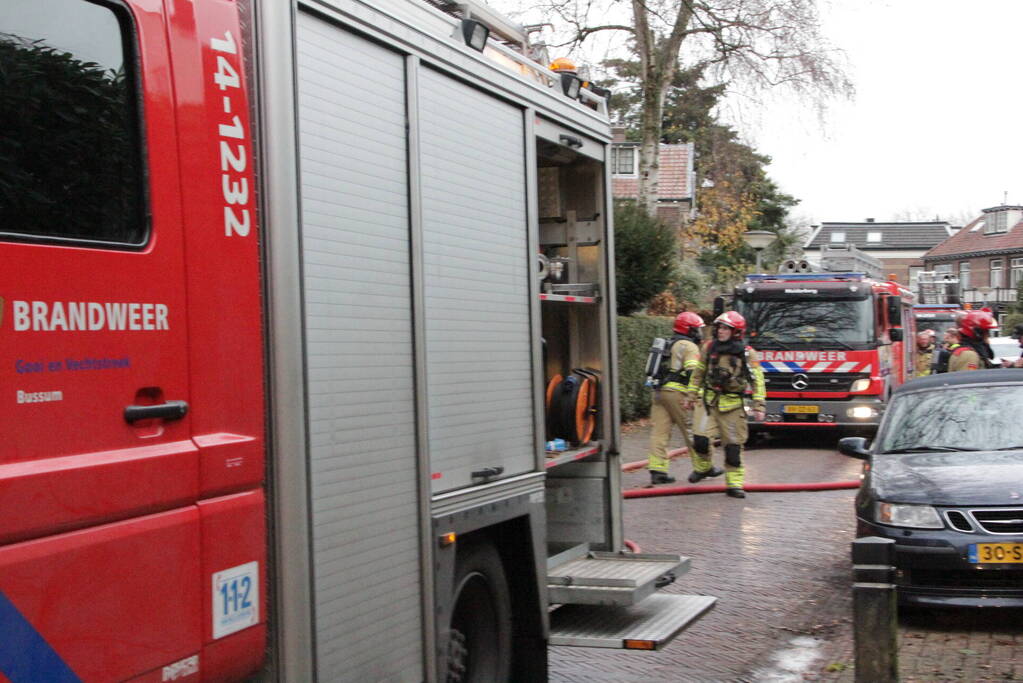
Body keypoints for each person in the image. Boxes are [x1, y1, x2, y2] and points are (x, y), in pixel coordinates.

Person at [683, 311, 766, 499]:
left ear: (736, 332)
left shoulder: (747, 353)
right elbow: (698, 373)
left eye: (725, 328)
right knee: (700, 439)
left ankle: (734, 484)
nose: (720, 331)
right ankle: (704, 468)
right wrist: (690, 396)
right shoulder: (709, 348)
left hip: (733, 405)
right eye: (719, 327)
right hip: (709, 402)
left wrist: (759, 405)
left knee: (733, 448)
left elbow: (757, 380)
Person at [646, 312, 706, 485]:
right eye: (698, 329)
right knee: (691, 430)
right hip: (677, 393)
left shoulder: (667, 343)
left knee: (659, 432)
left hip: (658, 392)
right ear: (690, 330)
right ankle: (702, 467)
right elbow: (692, 373)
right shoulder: (689, 346)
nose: (700, 333)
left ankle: (657, 471)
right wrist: (697, 395)